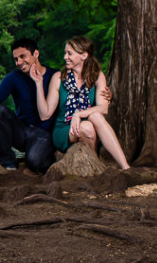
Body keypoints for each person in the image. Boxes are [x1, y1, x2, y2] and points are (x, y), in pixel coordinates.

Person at [31, 35, 130, 170]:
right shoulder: (59, 78)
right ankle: (95, 166)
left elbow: (103, 108)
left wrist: (78, 114)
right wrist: (38, 83)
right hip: (64, 130)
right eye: (65, 53)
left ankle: (125, 168)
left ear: (83, 56)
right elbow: (45, 114)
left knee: (95, 117)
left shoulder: (97, 76)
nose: (65, 57)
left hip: (90, 127)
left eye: (69, 53)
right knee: (87, 127)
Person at [0, 38, 58, 172]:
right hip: (22, 131)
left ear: (36, 54)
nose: (19, 62)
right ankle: (8, 163)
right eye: (16, 59)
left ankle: (47, 157)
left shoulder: (54, 76)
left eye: (23, 56)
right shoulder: (13, 78)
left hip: (43, 134)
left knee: (35, 162)